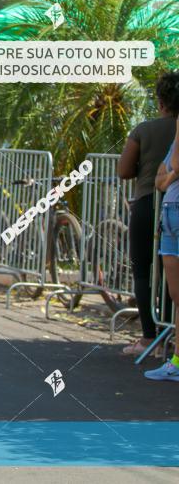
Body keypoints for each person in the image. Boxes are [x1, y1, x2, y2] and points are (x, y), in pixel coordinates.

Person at [118, 72, 178, 357]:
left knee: (142, 271)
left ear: (161, 101)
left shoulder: (144, 130)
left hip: (148, 205)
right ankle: (170, 334)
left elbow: (124, 171)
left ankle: (148, 336)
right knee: (171, 272)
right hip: (169, 204)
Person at [145, 73, 179, 382]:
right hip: (170, 212)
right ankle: (177, 360)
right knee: (175, 293)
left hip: (175, 209)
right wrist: (166, 178)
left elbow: (171, 170)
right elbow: (159, 174)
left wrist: (168, 178)